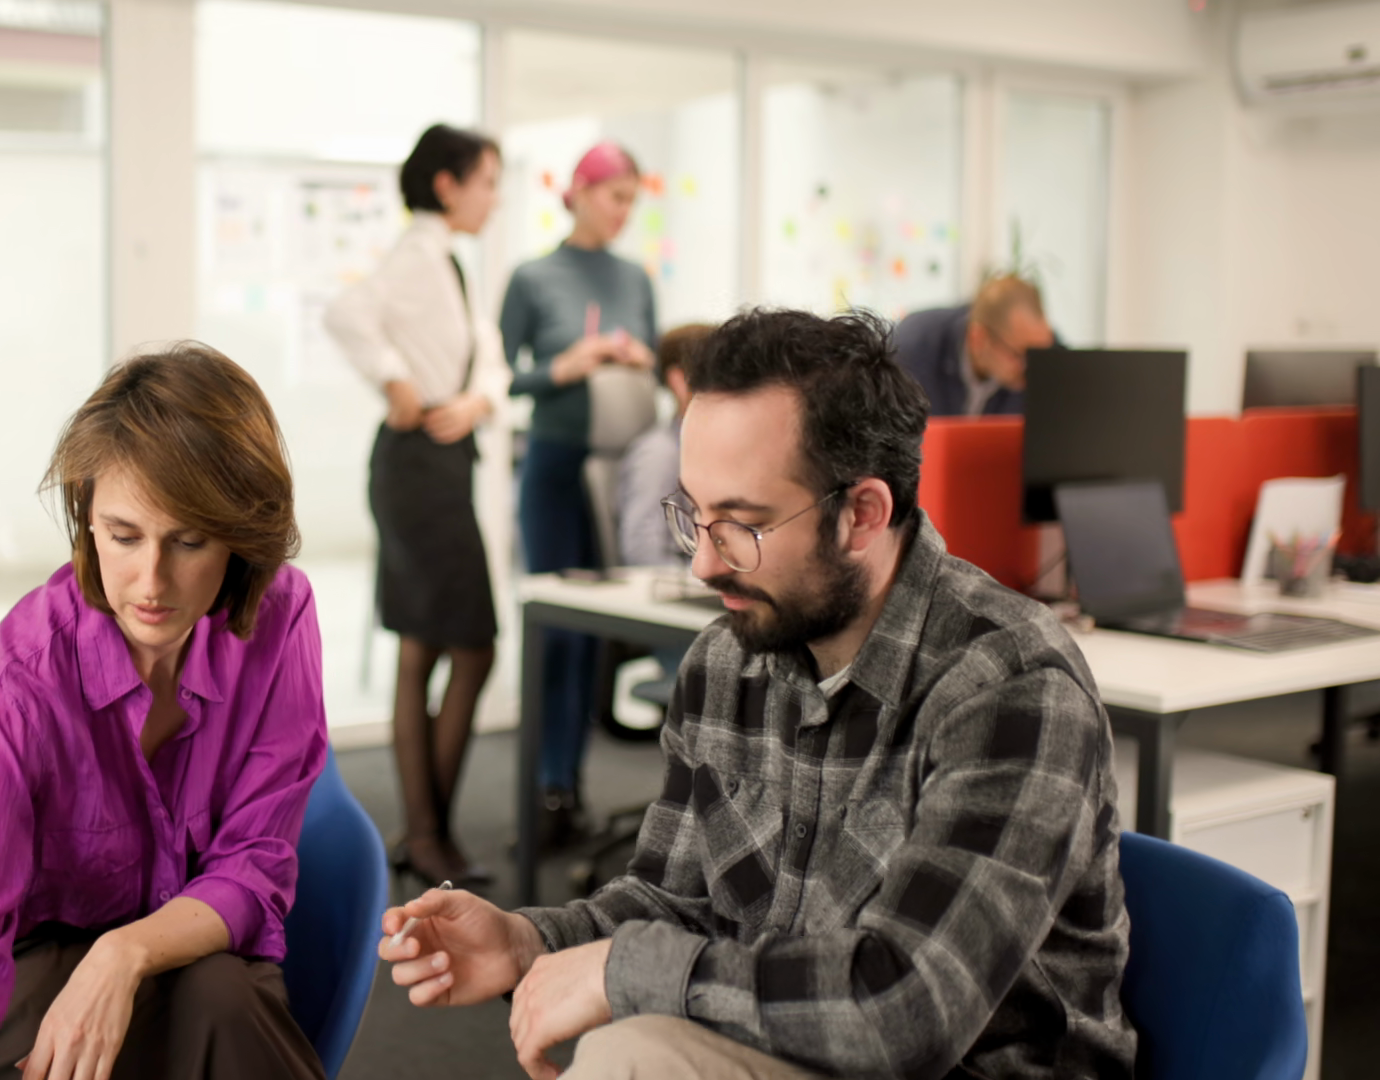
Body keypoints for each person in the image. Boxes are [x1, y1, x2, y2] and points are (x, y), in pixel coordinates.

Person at [377, 308, 1135, 1080]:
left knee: (632, 1057)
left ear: (862, 515)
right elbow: (674, 901)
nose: (704, 565)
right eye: (694, 515)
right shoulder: (729, 660)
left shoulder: (1012, 690)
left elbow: (904, 1013)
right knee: (631, 1053)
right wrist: (530, 943)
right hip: (799, 1050)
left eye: (741, 525)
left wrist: (622, 969)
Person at [0, 345, 328, 1080]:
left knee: (223, 998)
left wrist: (123, 953)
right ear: (87, 518)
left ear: (239, 534)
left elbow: (253, 865)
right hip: (37, 957)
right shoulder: (22, 675)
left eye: (189, 541)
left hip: (197, 949)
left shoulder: (280, 618)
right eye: (124, 536)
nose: (151, 581)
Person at [324, 123, 510, 887]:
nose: (494, 198)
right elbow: (345, 313)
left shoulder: (449, 260)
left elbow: (491, 361)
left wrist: (476, 401)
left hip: (439, 462)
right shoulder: (416, 256)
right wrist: (395, 380)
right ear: (446, 185)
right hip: (416, 469)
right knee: (465, 647)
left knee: (431, 648)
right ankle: (428, 834)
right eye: (487, 182)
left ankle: (425, 833)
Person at [500, 141, 658, 845]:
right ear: (580, 193)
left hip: (618, 466)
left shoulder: (636, 278)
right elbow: (502, 378)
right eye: (615, 197)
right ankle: (544, 788)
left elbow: (657, 360)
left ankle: (572, 788)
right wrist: (565, 367)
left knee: (599, 637)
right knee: (557, 633)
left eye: (632, 201)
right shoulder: (533, 278)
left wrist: (637, 357)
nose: (624, 211)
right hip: (556, 467)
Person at [616, 322, 712, 569]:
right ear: (679, 381)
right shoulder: (658, 455)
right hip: (684, 585)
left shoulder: (722, 450)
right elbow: (644, 553)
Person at [892, 274, 1055, 416]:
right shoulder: (911, 351)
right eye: (1018, 355)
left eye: (1038, 356)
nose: (1031, 368)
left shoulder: (1049, 355)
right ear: (979, 339)